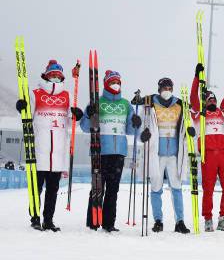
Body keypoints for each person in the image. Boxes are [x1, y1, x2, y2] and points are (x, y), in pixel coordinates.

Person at [17, 60, 82, 231]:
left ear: (61, 77)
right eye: (52, 74)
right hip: (40, 150)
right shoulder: (36, 93)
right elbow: (27, 117)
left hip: (58, 152)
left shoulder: (67, 95)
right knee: (36, 189)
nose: (55, 77)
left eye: (58, 75)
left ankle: (49, 220)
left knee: (52, 191)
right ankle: (35, 218)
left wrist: (77, 115)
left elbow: (70, 122)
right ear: (46, 75)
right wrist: (22, 107)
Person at [81, 70, 139, 232]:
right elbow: (86, 128)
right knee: (98, 187)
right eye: (113, 82)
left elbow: (131, 131)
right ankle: (93, 221)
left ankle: (108, 223)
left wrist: (136, 122)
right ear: (106, 83)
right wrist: (88, 114)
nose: (116, 85)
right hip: (99, 150)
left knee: (113, 189)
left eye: (118, 82)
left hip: (118, 152)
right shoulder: (97, 102)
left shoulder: (126, 104)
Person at [138, 77, 190, 234]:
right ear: (159, 89)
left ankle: (179, 221)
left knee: (177, 188)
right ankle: (158, 220)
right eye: (164, 88)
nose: (167, 90)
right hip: (157, 153)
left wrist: (191, 131)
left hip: (174, 154)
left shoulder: (180, 104)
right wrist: (143, 134)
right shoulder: (150, 103)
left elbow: (188, 123)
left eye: (169, 88)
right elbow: (141, 125)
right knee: (156, 188)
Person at [190, 65, 224, 232]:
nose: (212, 102)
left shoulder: (221, 112)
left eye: (213, 100)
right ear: (204, 101)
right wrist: (197, 77)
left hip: (223, 153)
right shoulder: (198, 114)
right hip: (208, 154)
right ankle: (208, 218)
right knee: (208, 187)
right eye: (209, 99)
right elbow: (193, 97)